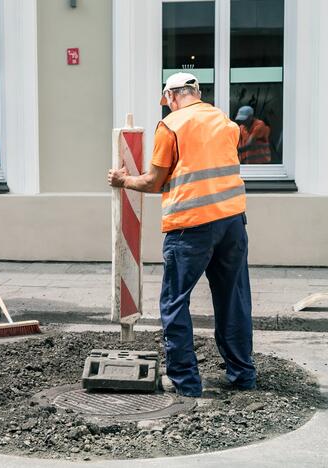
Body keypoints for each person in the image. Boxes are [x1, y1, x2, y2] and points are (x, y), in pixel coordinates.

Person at [107, 72, 256, 397]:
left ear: (171, 96)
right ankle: (243, 375)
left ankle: (188, 384)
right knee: (234, 300)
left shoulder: (171, 126)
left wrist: (123, 181)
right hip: (232, 222)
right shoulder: (224, 122)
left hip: (191, 227)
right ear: (197, 93)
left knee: (174, 302)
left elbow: (154, 182)